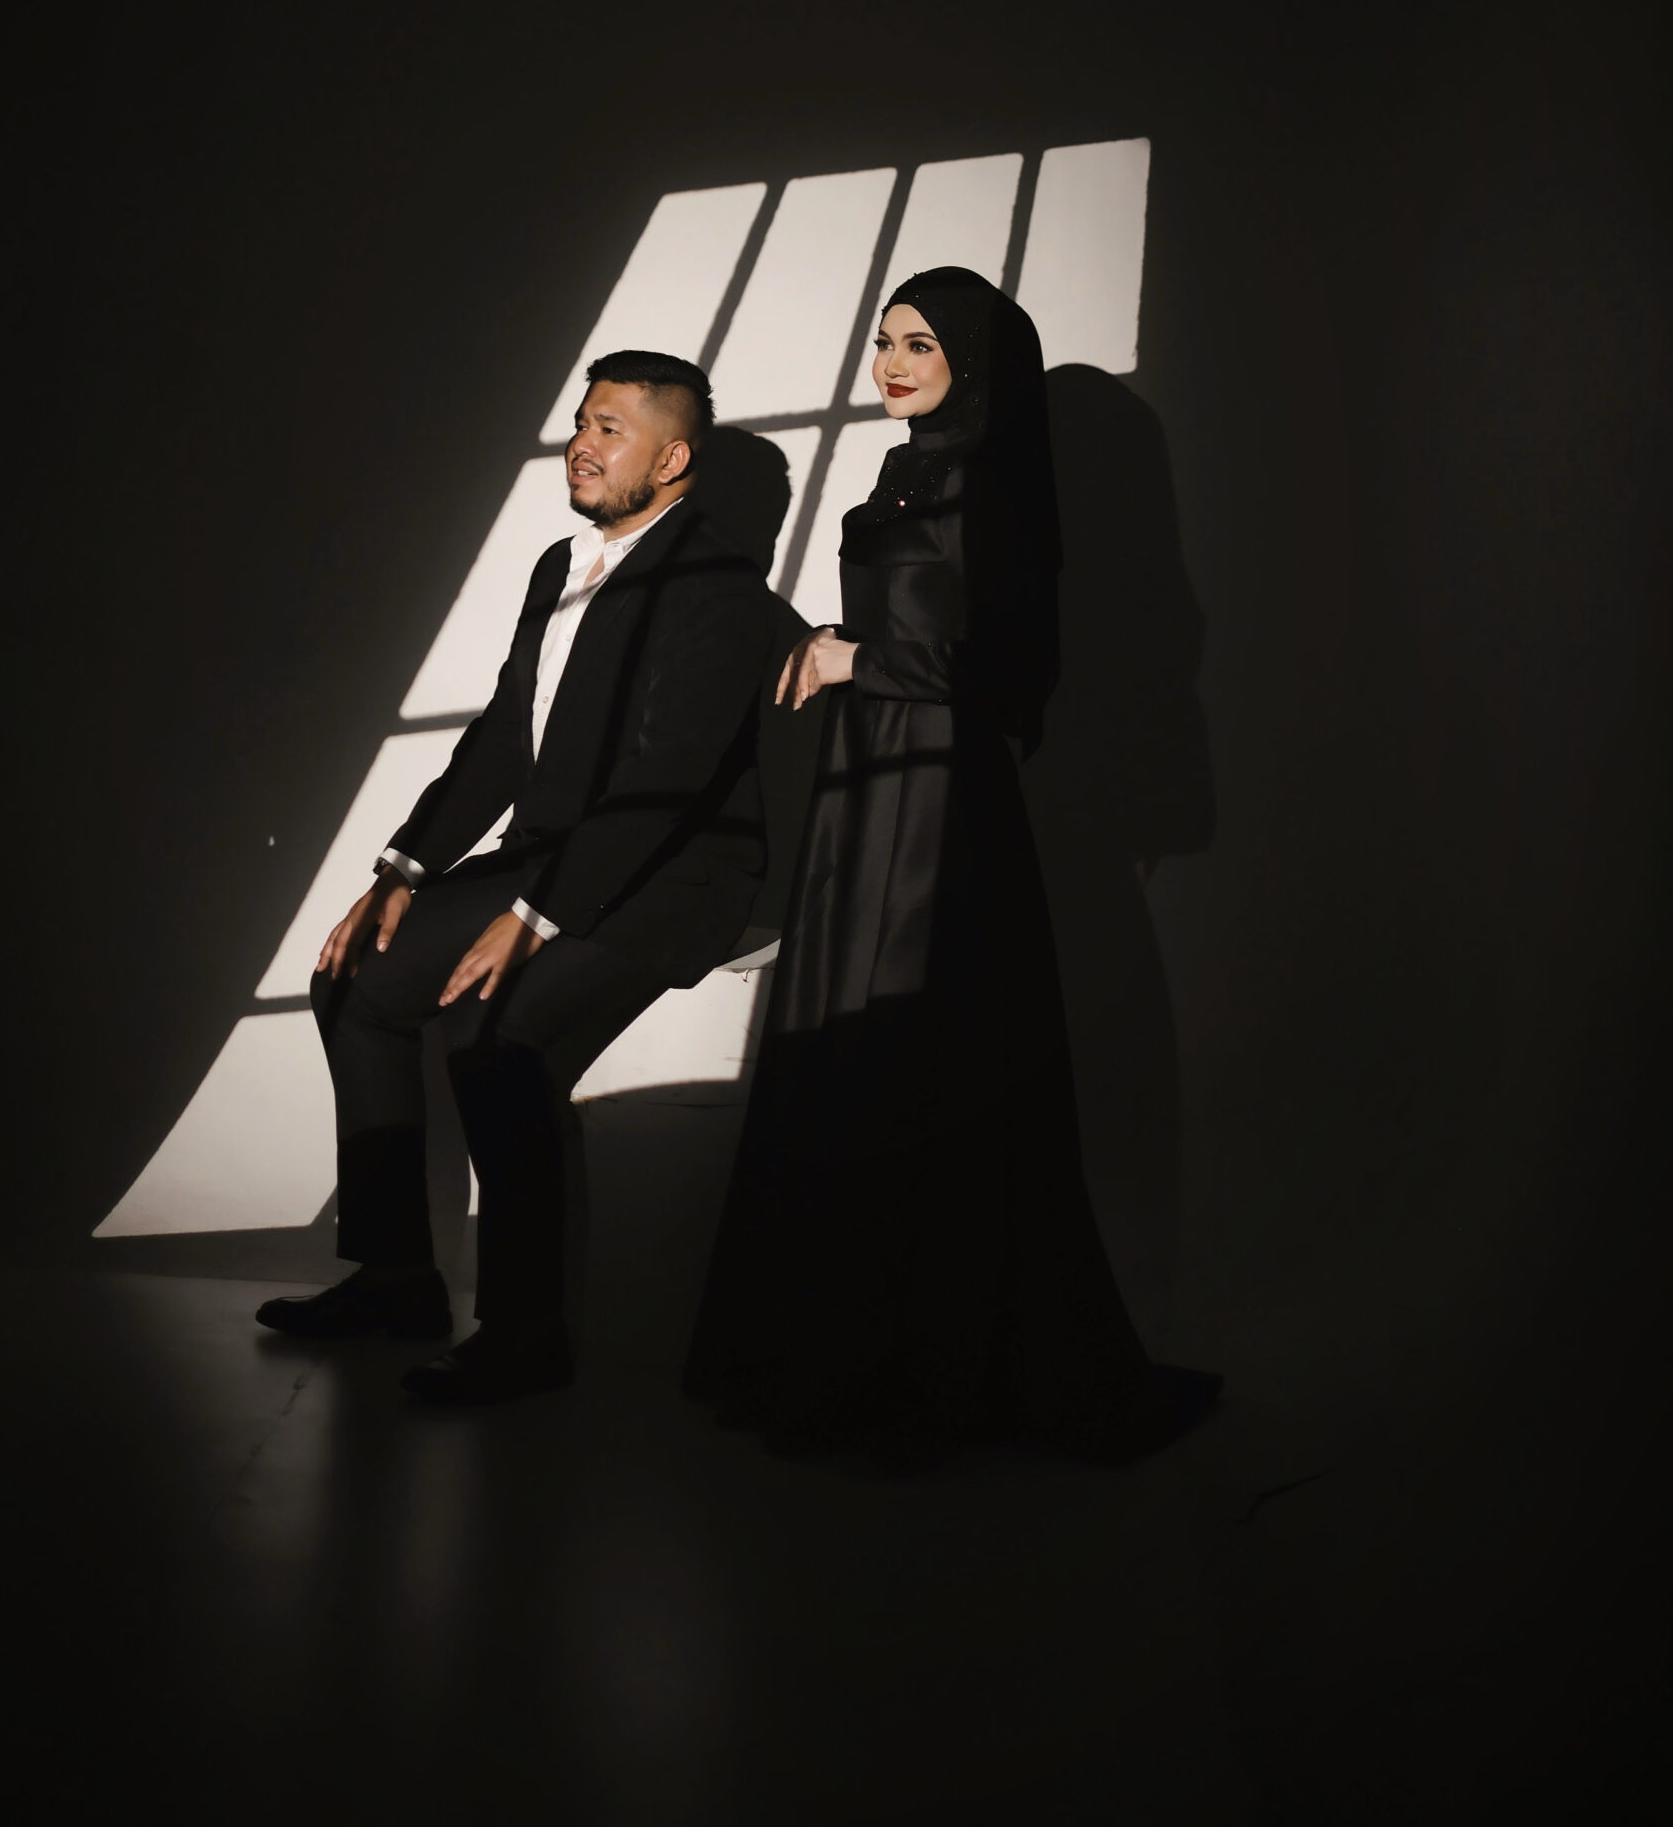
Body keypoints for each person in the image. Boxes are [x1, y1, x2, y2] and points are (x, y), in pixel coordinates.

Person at [684, 267, 1218, 1461]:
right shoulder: (899, 470)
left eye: (918, 343)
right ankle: (835, 1357)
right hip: (862, 793)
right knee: (850, 1058)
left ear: (971, 359)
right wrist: (844, 654)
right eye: (883, 339)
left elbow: (1013, 673)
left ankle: (931, 1374)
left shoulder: (1001, 485)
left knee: (922, 1066)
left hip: (941, 806)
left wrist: (854, 659)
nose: (889, 362)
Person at [257, 350, 777, 1404]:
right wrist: (402, 869)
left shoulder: (718, 588)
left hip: (673, 876)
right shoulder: (559, 565)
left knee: (494, 1039)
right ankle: (396, 1278)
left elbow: (666, 784)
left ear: (671, 460)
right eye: (582, 421)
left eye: (611, 429)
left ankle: (527, 1333)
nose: (582, 444)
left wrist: (533, 916)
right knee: (356, 981)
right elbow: (504, 737)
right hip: (557, 856)